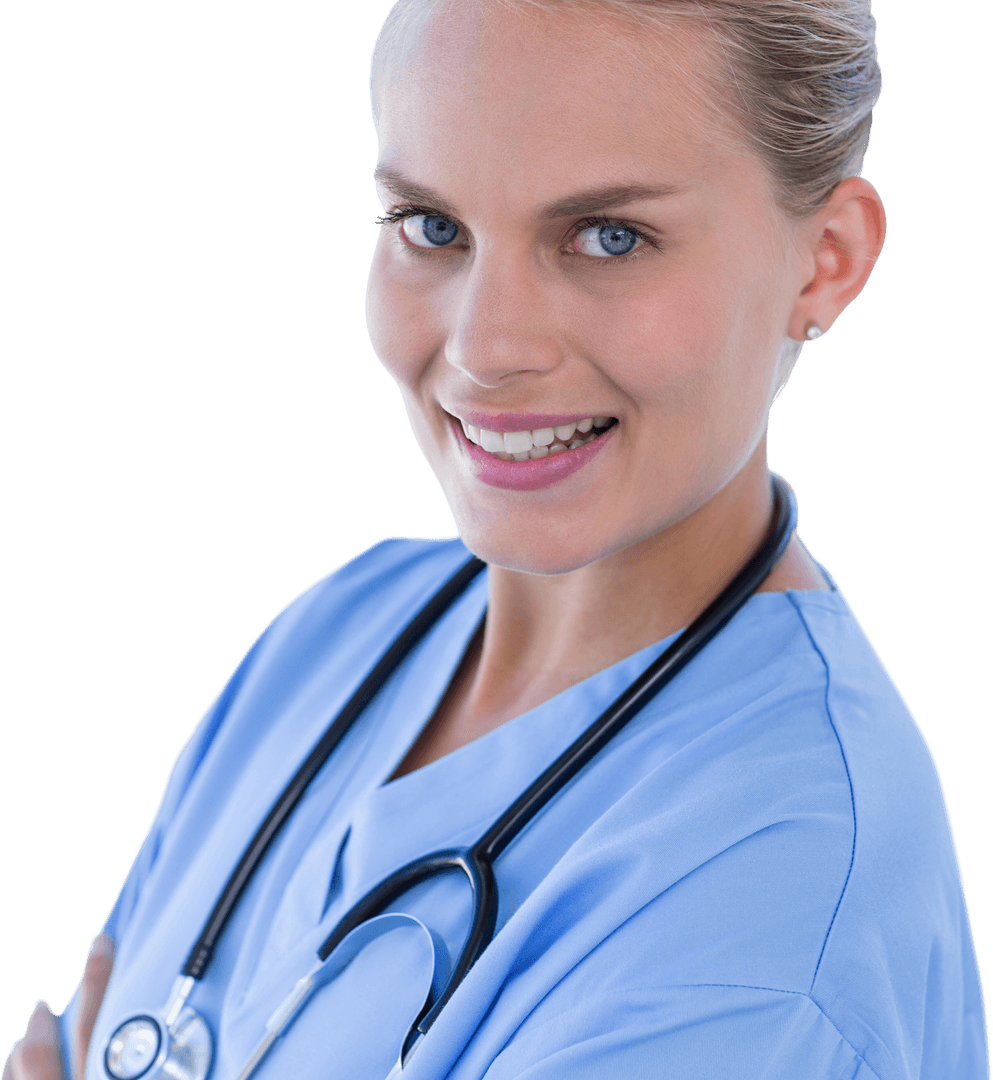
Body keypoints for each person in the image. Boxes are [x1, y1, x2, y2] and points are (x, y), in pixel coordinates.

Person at [5, 0, 988, 1077]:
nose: (484, 348)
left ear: (826, 262)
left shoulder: (772, 914)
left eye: (609, 237)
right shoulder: (342, 631)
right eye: (432, 227)